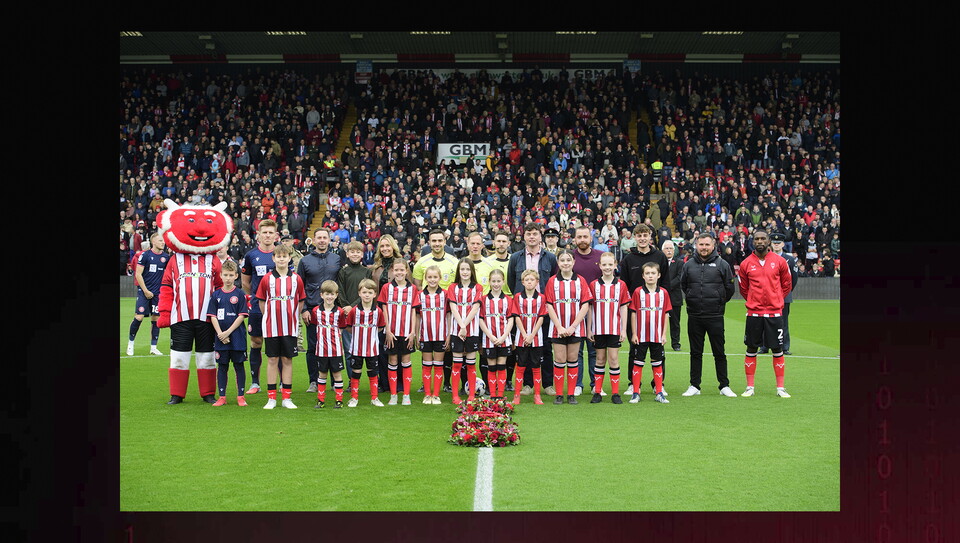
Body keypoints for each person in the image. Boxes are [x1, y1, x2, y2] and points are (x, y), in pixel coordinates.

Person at [737, 229, 794, 398]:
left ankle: (780, 388)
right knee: (751, 348)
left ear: (768, 241)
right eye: (757, 239)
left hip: (774, 313)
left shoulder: (780, 261)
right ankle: (750, 387)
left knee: (777, 349)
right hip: (754, 313)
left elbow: (786, 285)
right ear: (752, 242)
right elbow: (743, 288)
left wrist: (775, 299)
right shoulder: (746, 263)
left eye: (763, 238)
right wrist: (755, 301)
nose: (760, 241)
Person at [679, 233, 737, 397]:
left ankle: (724, 385)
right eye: (701, 245)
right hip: (695, 315)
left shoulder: (722, 264)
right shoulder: (689, 265)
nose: (704, 248)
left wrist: (719, 302)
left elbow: (730, 288)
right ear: (696, 245)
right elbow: (684, 285)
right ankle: (694, 385)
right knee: (695, 352)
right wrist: (692, 297)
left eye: (707, 245)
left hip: (715, 316)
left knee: (719, 352)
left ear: (713, 246)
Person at [618, 224, 670, 396]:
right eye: (638, 235)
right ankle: (634, 384)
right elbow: (623, 286)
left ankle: (658, 384)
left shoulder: (660, 257)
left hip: (656, 310)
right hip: (635, 311)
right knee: (635, 348)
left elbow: (666, 283)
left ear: (650, 237)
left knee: (658, 349)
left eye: (645, 235)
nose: (642, 238)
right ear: (634, 237)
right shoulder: (628, 259)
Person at [254, 243, 306, 409]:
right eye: (279, 256)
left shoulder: (296, 278)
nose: (282, 259)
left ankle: (286, 398)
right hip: (272, 326)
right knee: (272, 359)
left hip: (289, 326)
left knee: (287, 359)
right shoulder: (267, 278)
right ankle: (271, 398)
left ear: (289, 258)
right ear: (274, 258)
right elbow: (262, 302)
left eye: (285, 256)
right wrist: (269, 317)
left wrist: (293, 316)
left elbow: (301, 300)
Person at [296, 227, 343, 393]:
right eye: (319, 238)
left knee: (335, 346)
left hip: (334, 313)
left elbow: (341, 284)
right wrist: (304, 310)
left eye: (325, 237)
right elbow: (299, 287)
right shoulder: (305, 261)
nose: (322, 240)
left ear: (329, 240)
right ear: (314, 240)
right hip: (313, 311)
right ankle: (314, 381)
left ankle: (333, 380)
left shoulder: (337, 258)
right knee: (313, 347)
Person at [544, 250, 594, 405]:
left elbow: (585, 305)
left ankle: (571, 394)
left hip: (576, 328)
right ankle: (559, 394)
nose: (565, 263)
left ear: (573, 262)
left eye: (568, 260)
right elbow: (549, 305)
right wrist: (559, 326)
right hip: (557, 328)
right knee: (559, 360)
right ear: (558, 263)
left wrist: (573, 326)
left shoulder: (581, 281)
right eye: (562, 260)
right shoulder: (552, 281)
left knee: (573, 360)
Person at [240, 219, 279, 395]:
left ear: (276, 235)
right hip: (257, 306)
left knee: (276, 343)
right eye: (265, 232)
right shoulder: (250, 256)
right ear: (259, 235)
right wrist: (258, 296)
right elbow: (245, 282)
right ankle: (255, 383)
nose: (268, 235)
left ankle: (280, 383)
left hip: (278, 306)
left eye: (271, 232)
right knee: (256, 342)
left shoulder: (281, 254)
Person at [586, 251, 630, 404]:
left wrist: (623, 329)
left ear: (615, 265)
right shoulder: (593, 285)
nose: (607, 267)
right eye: (604, 264)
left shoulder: (621, 285)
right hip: (598, 329)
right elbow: (590, 308)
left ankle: (615, 394)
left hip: (614, 329)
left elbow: (624, 308)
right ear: (599, 266)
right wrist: (589, 328)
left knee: (613, 359)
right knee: (599, 359)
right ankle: (597, 392)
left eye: (610, 264)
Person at [206, 260, 249, 406]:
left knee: (239, 365)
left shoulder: (240, 294)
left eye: (231, 275)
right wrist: (220, 334)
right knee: (222, 366)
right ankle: (222, 397)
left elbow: (242, 315)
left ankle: (240, 396)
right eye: (226, 275)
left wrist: (228, 332)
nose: (228, 278)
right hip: (220, 337)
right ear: (221, 276)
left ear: (236, 275)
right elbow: (212, 316)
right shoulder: (216, 295)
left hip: (237, 337)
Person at [378, 259, 421, 405]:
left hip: (407, 332)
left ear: (407, 271)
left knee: (406, 361)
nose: (399, 273)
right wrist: (387, 330)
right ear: (392, 271)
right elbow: (384, 309)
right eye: (396, 270)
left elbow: (414, 311)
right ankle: (394, 395)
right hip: (391, 332)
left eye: (402, 270)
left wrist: (413, 332)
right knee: (393, 360)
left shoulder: (413, 289)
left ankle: (406, 395)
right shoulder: (386, 288)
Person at [628, 262, 672, 404]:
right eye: (647, 273)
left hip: (657, 335)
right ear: (643, 276)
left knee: (657, 363)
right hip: (641, 336)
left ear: (658, 275)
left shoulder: (663, 293)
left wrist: (664, 334)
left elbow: (665, 314)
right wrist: (634, 334)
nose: (650, 276)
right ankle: (635, 392)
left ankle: (659, 392)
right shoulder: (637, 292)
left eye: (653, 273)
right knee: (638, 363)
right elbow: (633, 313)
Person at [302, 280, 348, 408]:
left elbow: (342, 327)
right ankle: (321, 400)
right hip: (321, 350)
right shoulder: (316, 311)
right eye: (327, 294)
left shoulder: (339, 312)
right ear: (321, 295)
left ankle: (339, 400)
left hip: (336, 350)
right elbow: (315, 326)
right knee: (322, 374)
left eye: (332, 294)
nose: (329, 297)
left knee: (337, 374)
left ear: (336, 295)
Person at [446, 258, 484, 404]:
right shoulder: (453, 287)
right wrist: (461, 327)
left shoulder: (478, 288)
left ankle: (471, 396)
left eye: (468, 269)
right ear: (458, 271)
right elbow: (453, 308)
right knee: (456, 364)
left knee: (470, 364)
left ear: (472, 271)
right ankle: (455, 396)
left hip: (472, 331)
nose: (465, 272)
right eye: (462, 269)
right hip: (457, 331)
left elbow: (475, 308)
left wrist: (464, 326)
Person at [344, 279, 386, 407]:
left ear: (374, 294)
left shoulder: (378, 311)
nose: (367, 295)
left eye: (370, 292)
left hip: (372, 348)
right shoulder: (354, 311)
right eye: (364, 292)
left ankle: (374, 398)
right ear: (359, 294)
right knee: (355, 372)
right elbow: (349, 327)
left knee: (373, 372)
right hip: (357, 348)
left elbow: (380, 327)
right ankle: (354, 398)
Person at [571, 225, 603, 397]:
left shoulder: (600, 256)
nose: (582, 240)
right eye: (579, 237)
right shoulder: (569, 257)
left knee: (593, 350)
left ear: (591, 238)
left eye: (585, 237)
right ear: (574, 239)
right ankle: (577, 384)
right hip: (574, 312)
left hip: (597, 312)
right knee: (577, 350)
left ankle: (594, 384)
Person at [336, 240, 373, 380]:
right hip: (347, 316)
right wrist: (347, 307)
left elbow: (368, 291)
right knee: (349, 350)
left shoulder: (366, 272)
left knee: (368, 350)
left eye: (358, 252)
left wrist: (354, 306)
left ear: (362, 254)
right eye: (352, 252)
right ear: (347, 253)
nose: (355, 254)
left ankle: (373, 381)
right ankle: (352, 381)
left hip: (364, 315)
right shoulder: (343, 271)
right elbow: (340, 291)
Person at [127, 233, 169, 356]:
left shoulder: (166, 257)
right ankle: (130, 344)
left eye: (163, 241)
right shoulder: (145, 255)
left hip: (158, 294)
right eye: (160, 241)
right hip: (144, 292)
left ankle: (153, 347)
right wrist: (145, 290)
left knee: (156, 319)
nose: (163, 243)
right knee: (139, 317)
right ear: (153, 242)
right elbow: (138, 274)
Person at [758, 232, 798, 355]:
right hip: (767, 295)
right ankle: (764, 346)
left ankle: (784, 347)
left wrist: (785, 293)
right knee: (764, 321)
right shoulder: (764, 257)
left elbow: (794, 279)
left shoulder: (789, 259)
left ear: (783, 244)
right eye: (774, 243)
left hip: (783, 296)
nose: (776, 245)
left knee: (783, 322)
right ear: (771, 243)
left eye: (779, 243)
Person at [511, 270, 547, 405]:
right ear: (522, 282)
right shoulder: (517, 297)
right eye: (527, 280)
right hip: (522, 337)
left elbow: (541, 318)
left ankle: (537, 395)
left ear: (537, 282)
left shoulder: (542, 298)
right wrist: (525, 334)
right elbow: (516, 317)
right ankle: (516, 395)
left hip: (536, 338)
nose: (530, 282)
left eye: (532, 280)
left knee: (536, 366)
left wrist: (532, 335)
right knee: (520, 365)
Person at [478, 269, 515, 400]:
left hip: (504, 339)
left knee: (501, 366)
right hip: (489, 340)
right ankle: (493, 394)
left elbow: (511, 319)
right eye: (493, 281)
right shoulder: (483, 300)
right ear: (489, 282)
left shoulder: (508, 300)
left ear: (503, 281)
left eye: (499, 281)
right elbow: (481, 319)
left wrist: (504, 336)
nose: (496, 284)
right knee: (491, 367)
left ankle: (500, 395)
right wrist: (491, 336)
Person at [417, 265, 450, 405]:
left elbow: (448, 315)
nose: (432, 280)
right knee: (426, 365)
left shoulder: (445, 294)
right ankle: (427, 394)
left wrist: (448, 334)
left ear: (440, 278)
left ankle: (436, 394)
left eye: (435, 277)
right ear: (425, 278)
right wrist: (417, 334)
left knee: (438, 365)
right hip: (425, 336)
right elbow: (418, 316)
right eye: (429, 277)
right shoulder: (419, 295)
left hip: (441, 335)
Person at [661, 239, 684, 351]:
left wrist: (666, 287)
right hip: (660, 298)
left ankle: (676, 343)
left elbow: (680, 278)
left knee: (675, 323)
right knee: (659, 321)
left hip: (675, 298)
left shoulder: (680, 263)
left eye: (671, 248)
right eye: (667, 248)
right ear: (663, 250)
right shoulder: (658, 263)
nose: (669, 251)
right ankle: (658, 341)